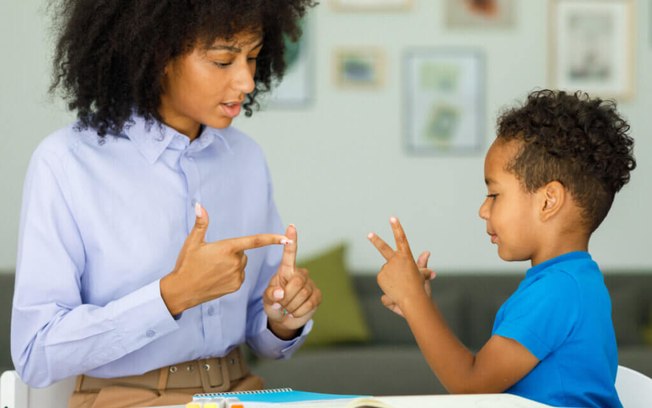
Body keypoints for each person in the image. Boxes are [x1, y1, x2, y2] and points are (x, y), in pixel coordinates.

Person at [11, 0, 321, 407]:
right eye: (223, 61)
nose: (246, 80)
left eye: (253, 58)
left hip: (244, 391)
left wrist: (283, 320)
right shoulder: (67, 163)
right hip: (127, 399)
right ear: (158, 55)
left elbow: (258, 327)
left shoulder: (244, 159)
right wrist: (172, 295)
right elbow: (36, 352)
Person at [368, 89, 635, 407]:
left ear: (548, 200)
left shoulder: (558, 289)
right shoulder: (573, 281)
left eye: (494, 194)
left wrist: (414, 301)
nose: (483, 209)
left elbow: (471, 385)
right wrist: (418, 306)